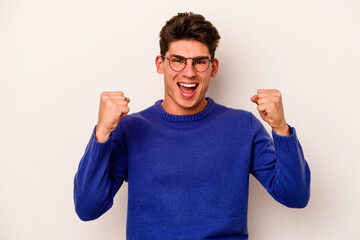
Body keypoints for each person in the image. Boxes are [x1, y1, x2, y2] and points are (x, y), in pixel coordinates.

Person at [73, 12, 311, 240]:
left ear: (213, 67)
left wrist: (280, 128)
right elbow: (88, 208)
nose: (189, 73)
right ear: (161, 64)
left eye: (199, 62)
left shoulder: (243, 126)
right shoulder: (131, 128)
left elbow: (295, 196)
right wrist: (102, 132)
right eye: (177, 61)